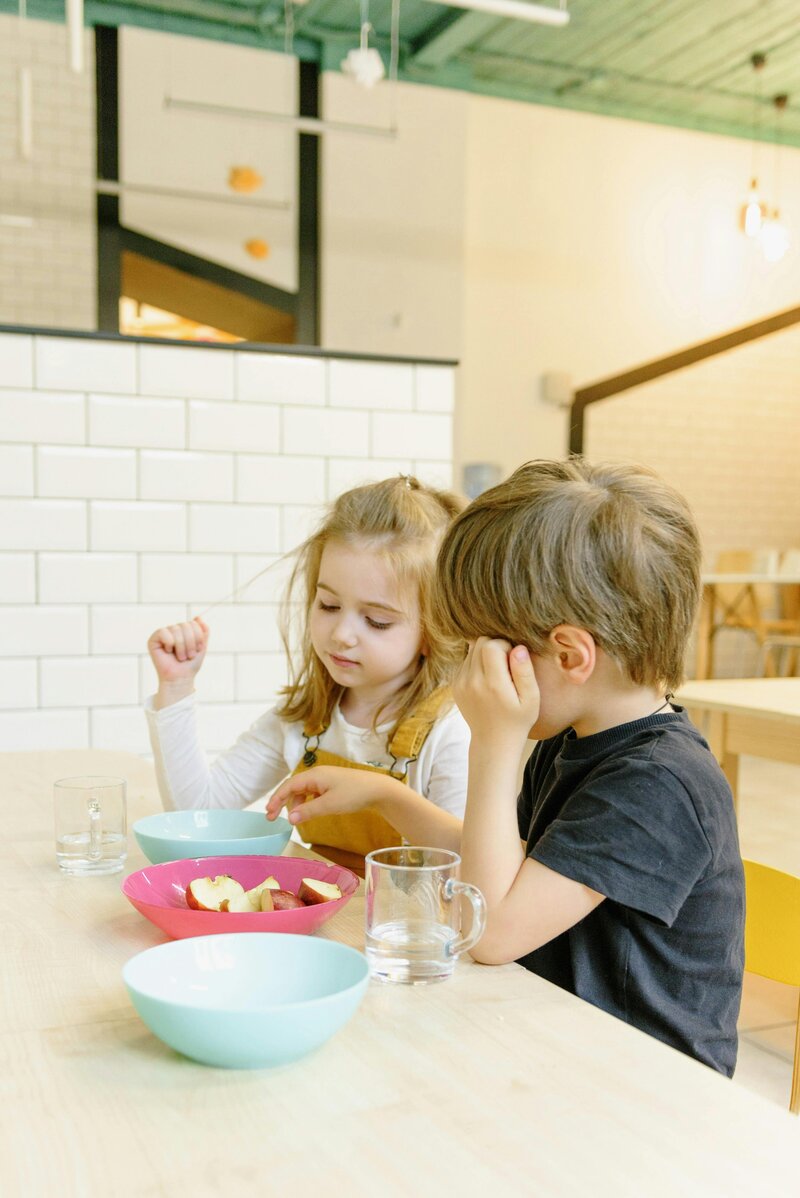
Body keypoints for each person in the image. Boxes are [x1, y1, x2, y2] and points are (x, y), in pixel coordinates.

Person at [270, 459, 745, 1075]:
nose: (468, 667)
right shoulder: (574, 735)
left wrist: (493, 742)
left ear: (568, 655)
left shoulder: (659, 782)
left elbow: (490, 931)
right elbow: (504, 868)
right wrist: (384, 796)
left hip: (641, 1087)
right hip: (551, 1046)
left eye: (481, 646)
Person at [145, 475, 470, 875]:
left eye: (377, 621)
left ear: (434, 630)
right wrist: (176, 687)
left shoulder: (450, 733)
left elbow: (466, 867)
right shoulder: (305, 719)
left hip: (401, 916)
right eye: (329, 605)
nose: (342, 634)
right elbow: (197, 812)